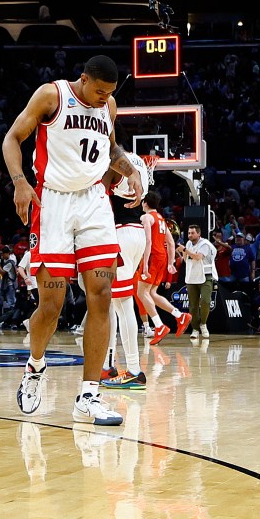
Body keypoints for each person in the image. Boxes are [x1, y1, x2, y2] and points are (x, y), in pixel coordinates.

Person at [3, 55, 143, 426]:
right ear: (83, 80)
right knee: (52, 304)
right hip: (52, 201)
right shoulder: (52, 96)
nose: (104, 99)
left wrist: (131, 171)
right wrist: (20, 181)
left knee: (102, 293)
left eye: (109, 94)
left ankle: (89, 395)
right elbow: (12, 138)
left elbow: (110, 148)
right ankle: (35, 366)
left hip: (94, 200)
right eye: (99, 92)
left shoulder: (108, 105)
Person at [99, 152, 151, 390]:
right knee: (114, 302)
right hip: (136, 231)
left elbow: (98, 189)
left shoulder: (117, 163)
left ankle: (134, 370)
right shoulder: (139, 163)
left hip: (122, 232)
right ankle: (110, 364)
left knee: (122, 304)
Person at [138, 192, 191, 345]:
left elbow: (148, 241)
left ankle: (159, 326)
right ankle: (180, 315)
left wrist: (146, 263)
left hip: (153, 256)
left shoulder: (146, 217)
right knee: (152, 293)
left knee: (141, 292)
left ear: (146, 203)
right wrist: (170, 263)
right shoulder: (161, 219)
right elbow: (172, 243)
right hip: (162, 257)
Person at [177, 223, 216, 339]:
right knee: (193, 306)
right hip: (192, 277)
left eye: (192, 233)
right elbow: (185, 260)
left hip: (205, 276)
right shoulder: (188, 243)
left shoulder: (205, 244)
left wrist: (184, 249)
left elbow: (198, 257)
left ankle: (203, 324)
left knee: (205, 301)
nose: (190, 235)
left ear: (198, 234)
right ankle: (195, 329)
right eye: (189, 233)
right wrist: (184, 252)